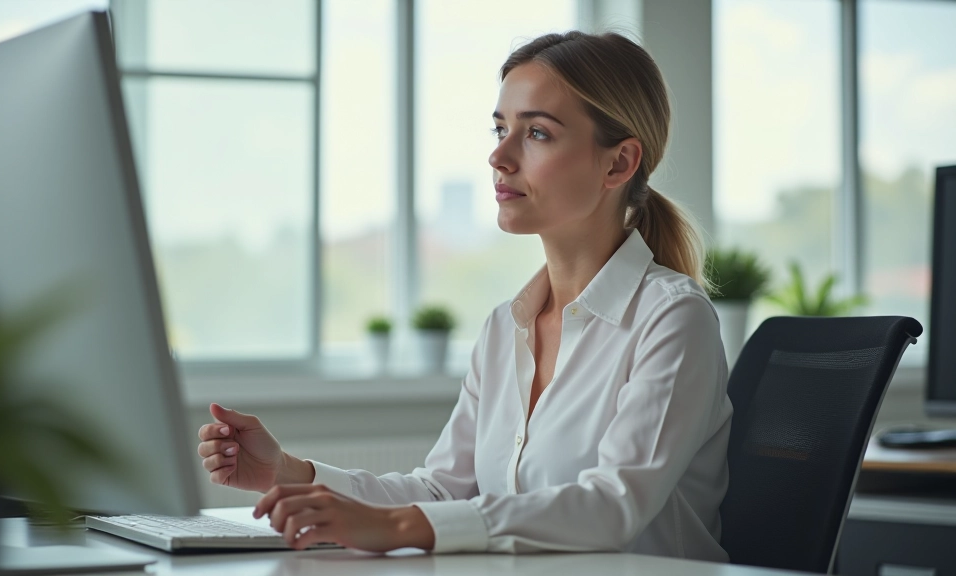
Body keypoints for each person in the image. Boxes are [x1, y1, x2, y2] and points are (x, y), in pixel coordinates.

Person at [197, 30, 733, 560]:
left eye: (537, 133)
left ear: (618, 163)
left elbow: (613, 506)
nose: (500, 156)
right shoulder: (507, 328)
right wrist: (289, 474)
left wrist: (401, 527)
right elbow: (443, 493)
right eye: (499, 129)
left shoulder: (673, 319)